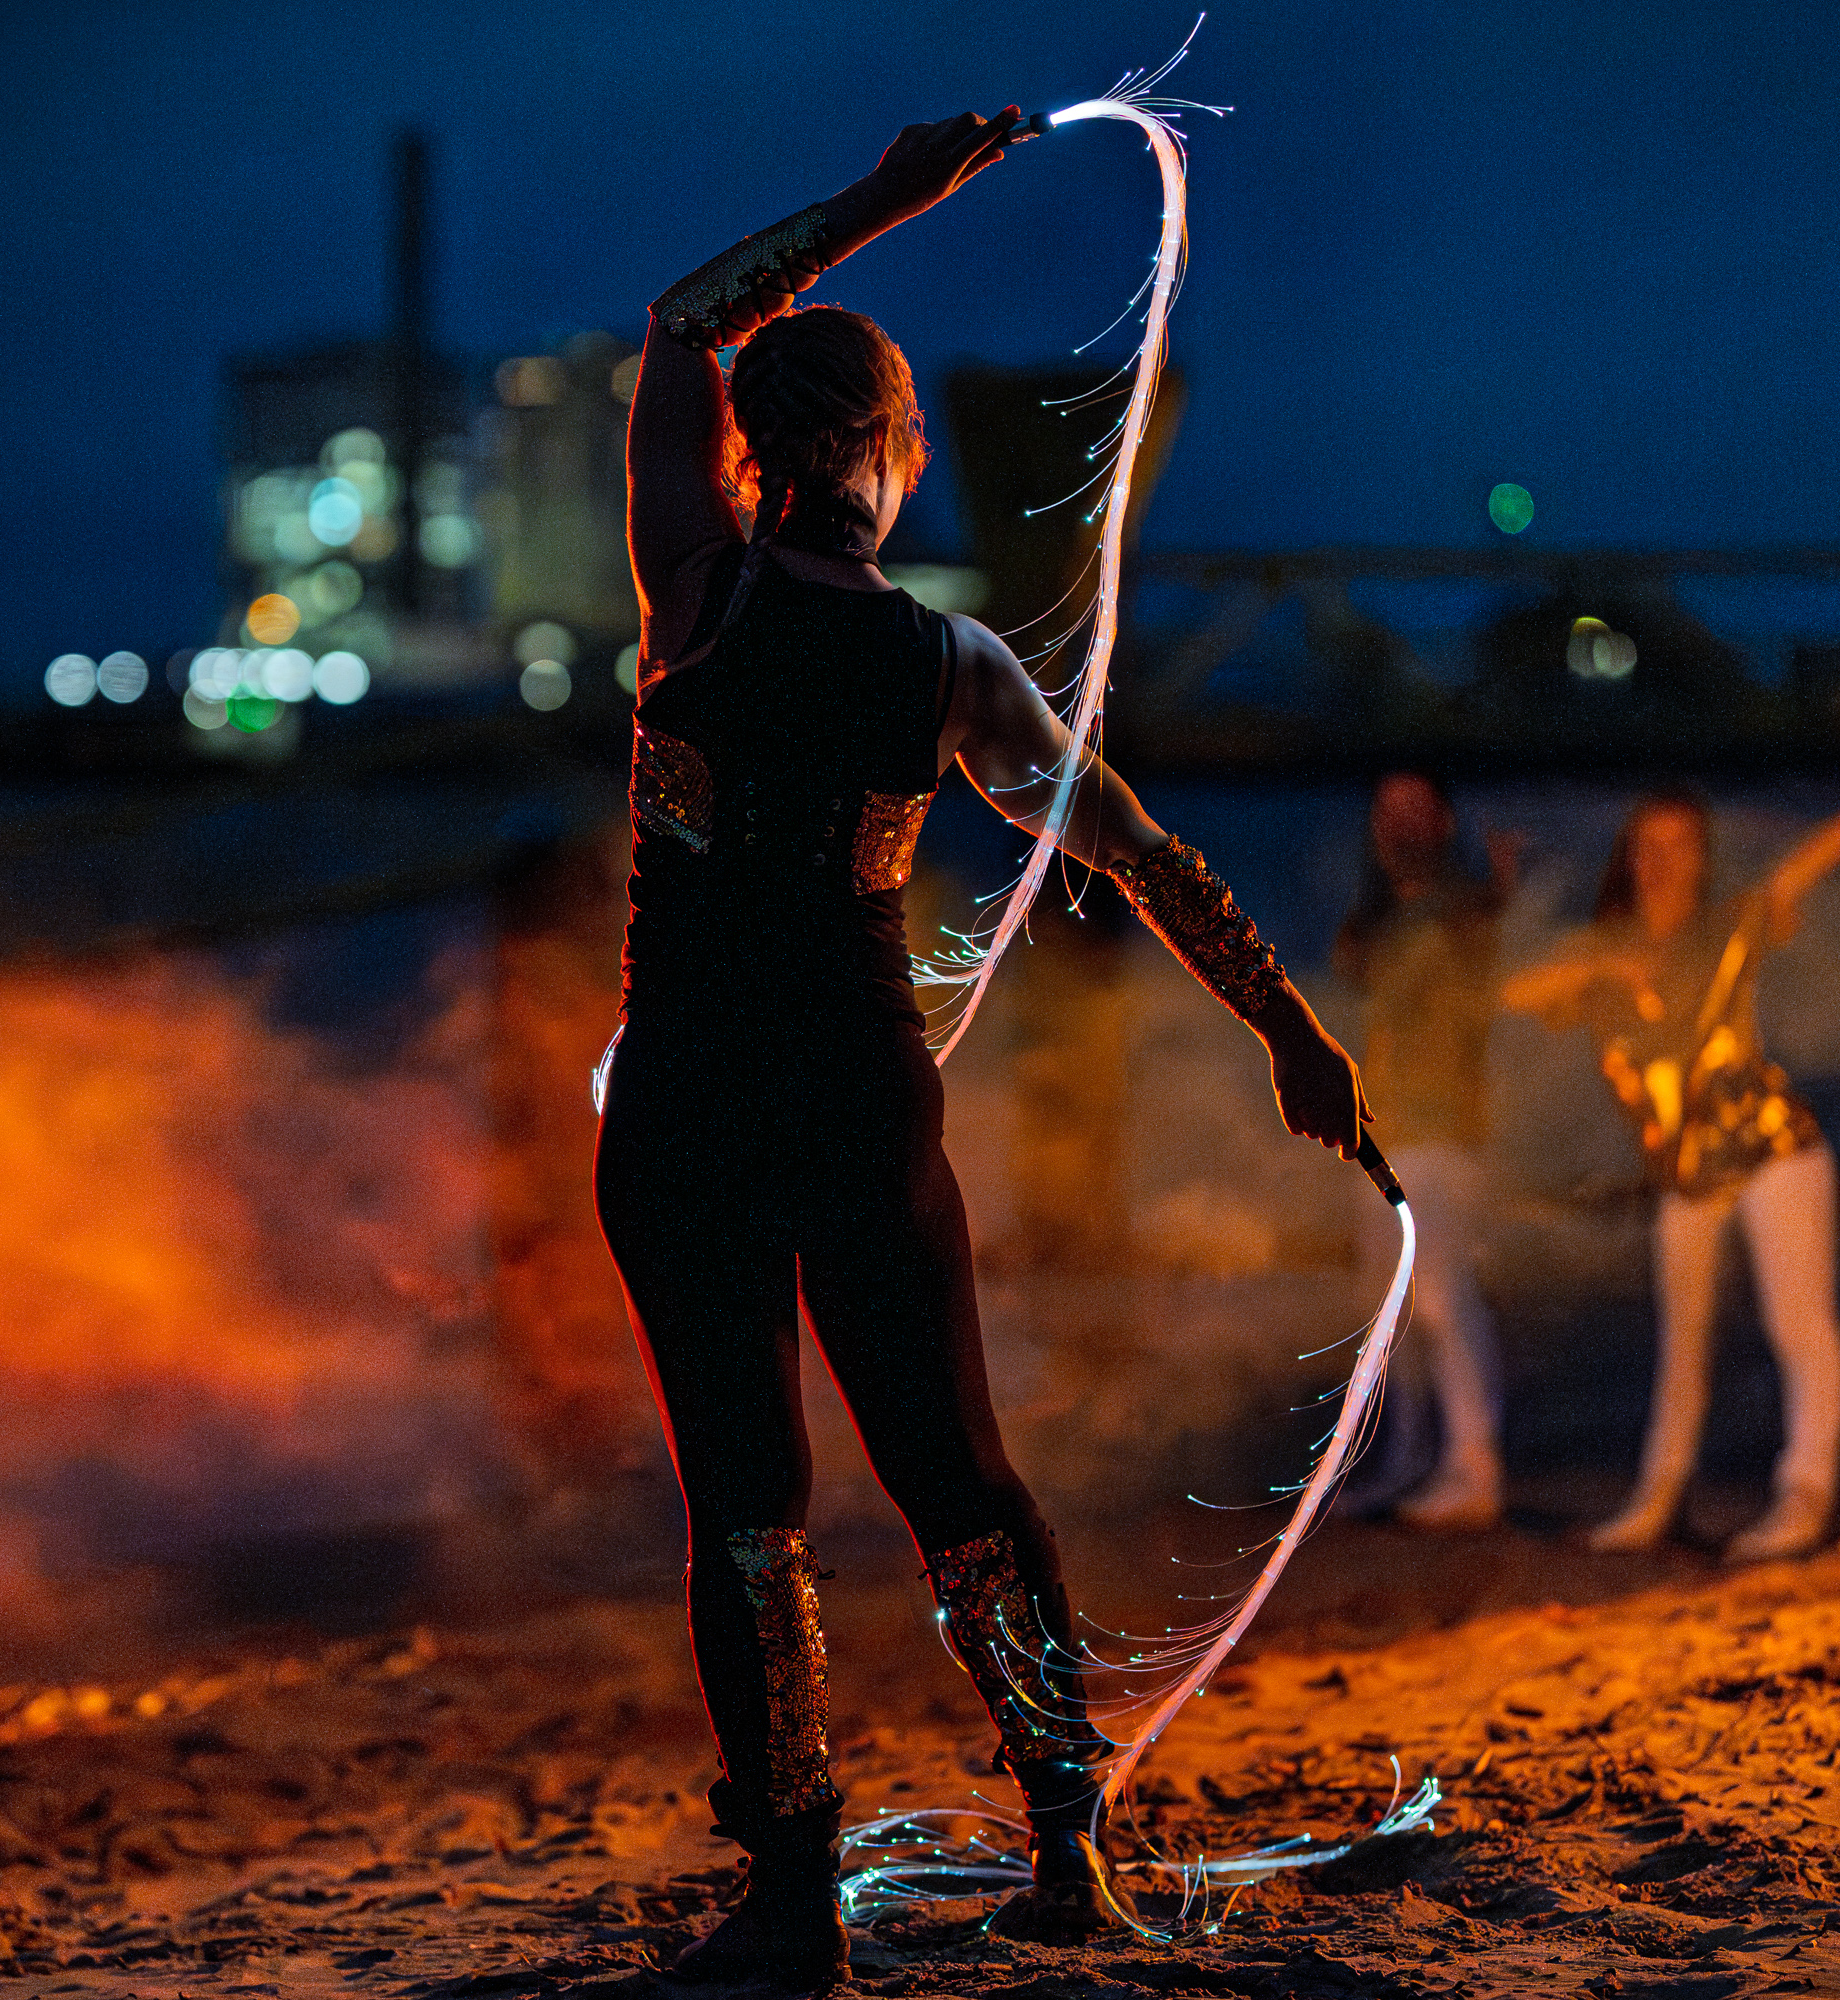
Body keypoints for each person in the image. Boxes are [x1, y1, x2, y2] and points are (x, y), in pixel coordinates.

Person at [598, 108, 1368, 1988]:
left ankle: (796, 1902)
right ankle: (1067, 1845)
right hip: (857, 1103)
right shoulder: (953, 669)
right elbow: (1142, 854)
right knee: (959, 1482)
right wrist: (1290, 1026)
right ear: (890, 452)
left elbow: (680, 325)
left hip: (688, 1099)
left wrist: (882, 199)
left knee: (749, 1511)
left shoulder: (692, 593)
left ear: (755, 457)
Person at [1501, 766, 1840, 1564]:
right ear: (1629, 857)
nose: (1662, 861)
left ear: (1701, 858)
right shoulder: (1601, 951)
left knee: (1800, 1323)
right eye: (1647, 846)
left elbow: (1791, 876)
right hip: (1685, 1172)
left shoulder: (1726, 926)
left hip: (1771, 1147)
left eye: (1679, 845)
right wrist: (1605, 969)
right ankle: (1657, 1499)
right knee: (1682, 1345)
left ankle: (1806, 1494)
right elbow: (1519, 993)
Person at [1334, 773, 1510, 1531]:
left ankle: (1475, 1467)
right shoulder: (1381, 917)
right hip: (1384, 1135)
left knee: (1442, 1297)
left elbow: (1487, 947)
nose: (1398, 825)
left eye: (1415, 810)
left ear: (1443, 821)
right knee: (1392, 1310)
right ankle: (1410, 1458)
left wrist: (1497, 884)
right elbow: (1351, 969)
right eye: (1387, 812)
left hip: (1442, 1135)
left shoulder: (1464, 906)